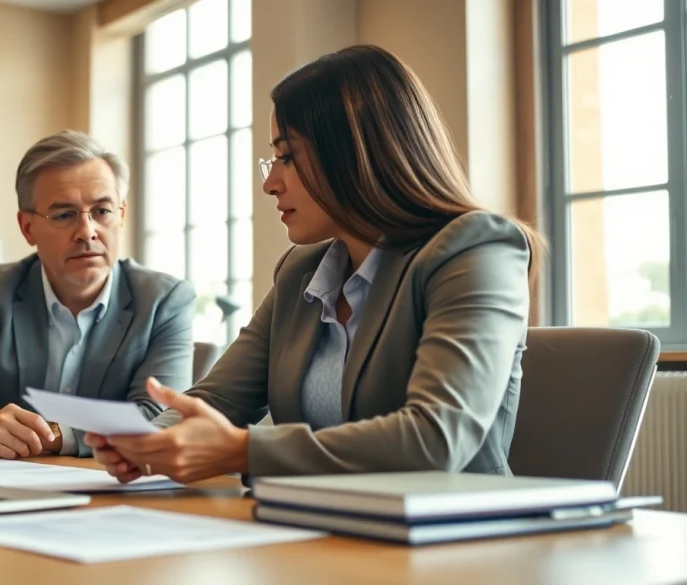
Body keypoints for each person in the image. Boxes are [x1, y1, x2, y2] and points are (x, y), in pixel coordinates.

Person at [86, 44, 546, 484]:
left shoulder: (477, 248)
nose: (271, 183)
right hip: (320, 527)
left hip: (455, 545)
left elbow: (436, 438)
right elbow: (218, 398)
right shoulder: (302, 271)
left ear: (355, 152)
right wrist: (149, 442)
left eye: (286, 157)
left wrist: (242, 451)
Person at [0, 130, 196, 459]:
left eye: (102, 211)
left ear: (121, 215)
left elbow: (160, 419)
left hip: (109, 490)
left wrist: (52, 436)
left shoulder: (164, 301)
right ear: (28, 228)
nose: (87, 232)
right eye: (64, 215)